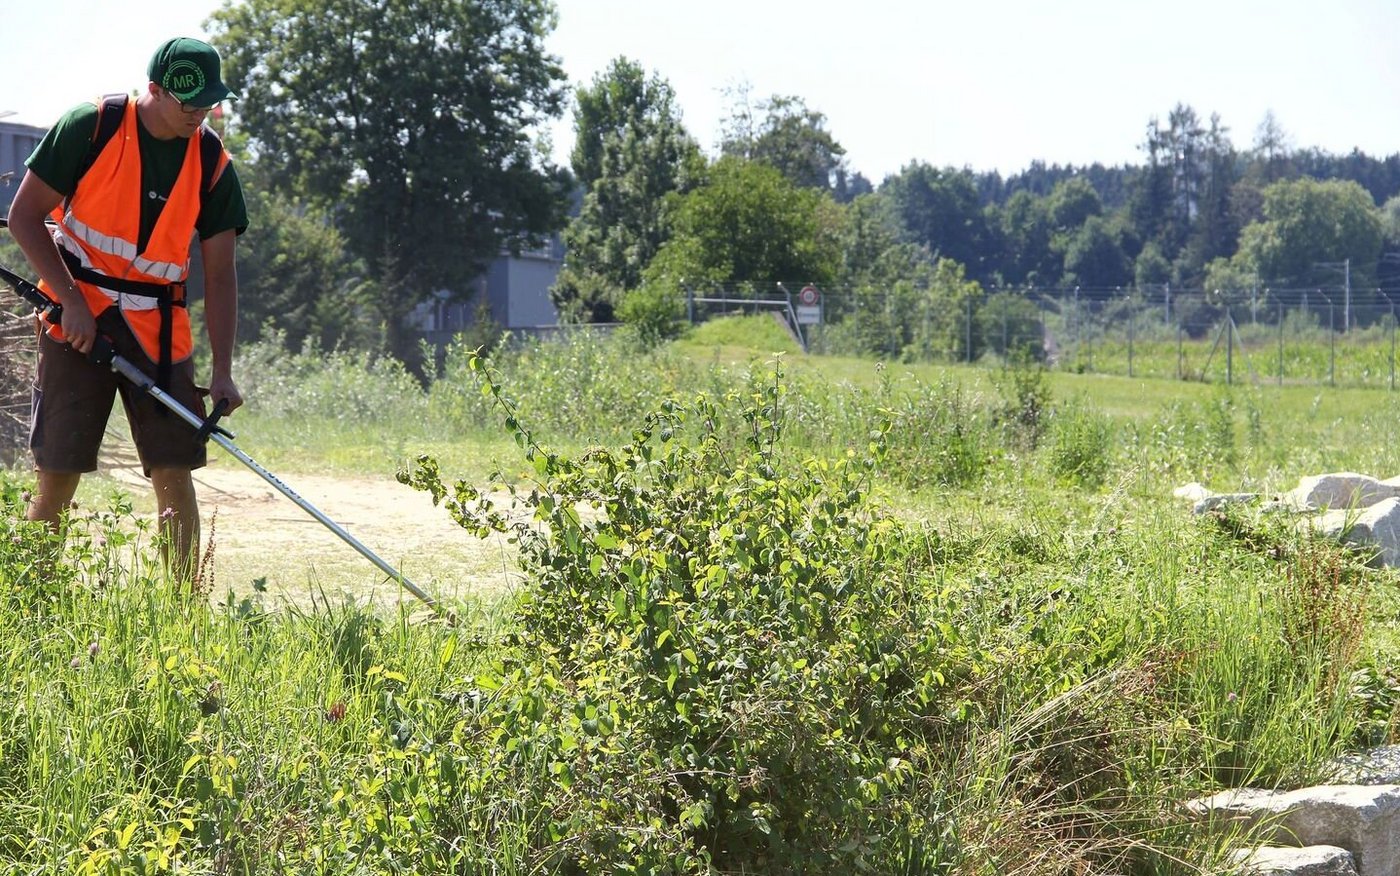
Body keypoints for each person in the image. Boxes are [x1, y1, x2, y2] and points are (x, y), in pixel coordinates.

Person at [7, 36, 248, 580]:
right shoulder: (89, 126)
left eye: (209, 104)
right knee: (59, 470)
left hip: (159, 334)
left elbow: (220, 275)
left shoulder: (212, 163)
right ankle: (34, 598)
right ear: (154, 90)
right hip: (75, 322)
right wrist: (71, 303)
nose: (199, 116)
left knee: (174, 468)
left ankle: (182, 613)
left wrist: (225, 370)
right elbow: (24, 217)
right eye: (189, 104)